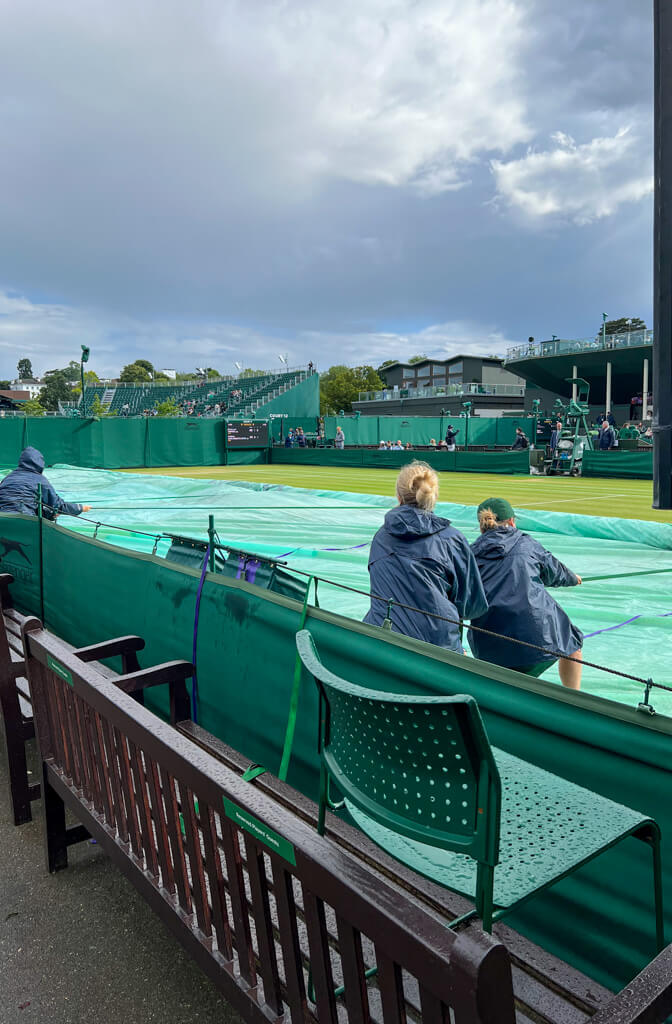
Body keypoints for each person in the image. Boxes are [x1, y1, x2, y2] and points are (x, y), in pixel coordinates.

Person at [363, 462, 487, 652]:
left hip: (382, 645)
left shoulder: (381, 537)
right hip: (435, 650)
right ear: (434, 496)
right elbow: (470, 606)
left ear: (399, 496)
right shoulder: (452, 539)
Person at [468, 498, 583, 689]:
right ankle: (575, 698)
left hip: (490, 649)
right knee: (572, 643)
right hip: (540, 639)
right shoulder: (526, 543)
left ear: (482, 527)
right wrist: (573, 578)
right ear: (512, 522)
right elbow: (555, 571)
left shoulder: (470, 553)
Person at [0, 448, 91, 520]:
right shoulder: (39, 479)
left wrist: (49, 515)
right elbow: (57, 505)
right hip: (24, 519)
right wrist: (80, 508)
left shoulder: (8, 478)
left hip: (3, 518)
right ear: (40, 464)